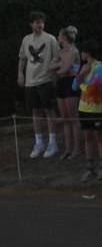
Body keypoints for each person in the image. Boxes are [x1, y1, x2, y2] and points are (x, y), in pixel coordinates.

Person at [17, 11, 59, 159]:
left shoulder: (50, 39)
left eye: (41, 22)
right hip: (30, 81)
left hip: (45, 80)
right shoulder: (26, 39)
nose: (39, 24)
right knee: (35, 112)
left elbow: (57, 58)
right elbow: (22, 58)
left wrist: (53, 76)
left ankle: (53, 142)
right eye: (36, 22)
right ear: (31, 24)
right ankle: (39, 142)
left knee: (49, 111)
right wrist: (20, 74)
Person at [72, 40, 102, 181]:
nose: (81, 54)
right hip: (83, 108)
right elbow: (74, 87)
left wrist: (81, 82)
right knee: (88, 138)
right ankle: (89, 169)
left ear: (88, 53)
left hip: (96, 108)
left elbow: (94, 90)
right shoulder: (84, 67)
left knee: (99, 137)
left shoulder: (99, 67)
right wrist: (81, 74)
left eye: (83, 52)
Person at [54, 25, 81, 160]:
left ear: (63, 37)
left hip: (71, 83)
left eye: (59, 36)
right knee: (65, 118)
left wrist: (58, 70)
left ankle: (76, 148)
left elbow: (65, 69)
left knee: (73, 117)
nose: (57, 38)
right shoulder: (60, 52)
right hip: (62, 83)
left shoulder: (74, 51)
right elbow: (50, 66)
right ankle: (68, 148)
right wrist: (60, 68)